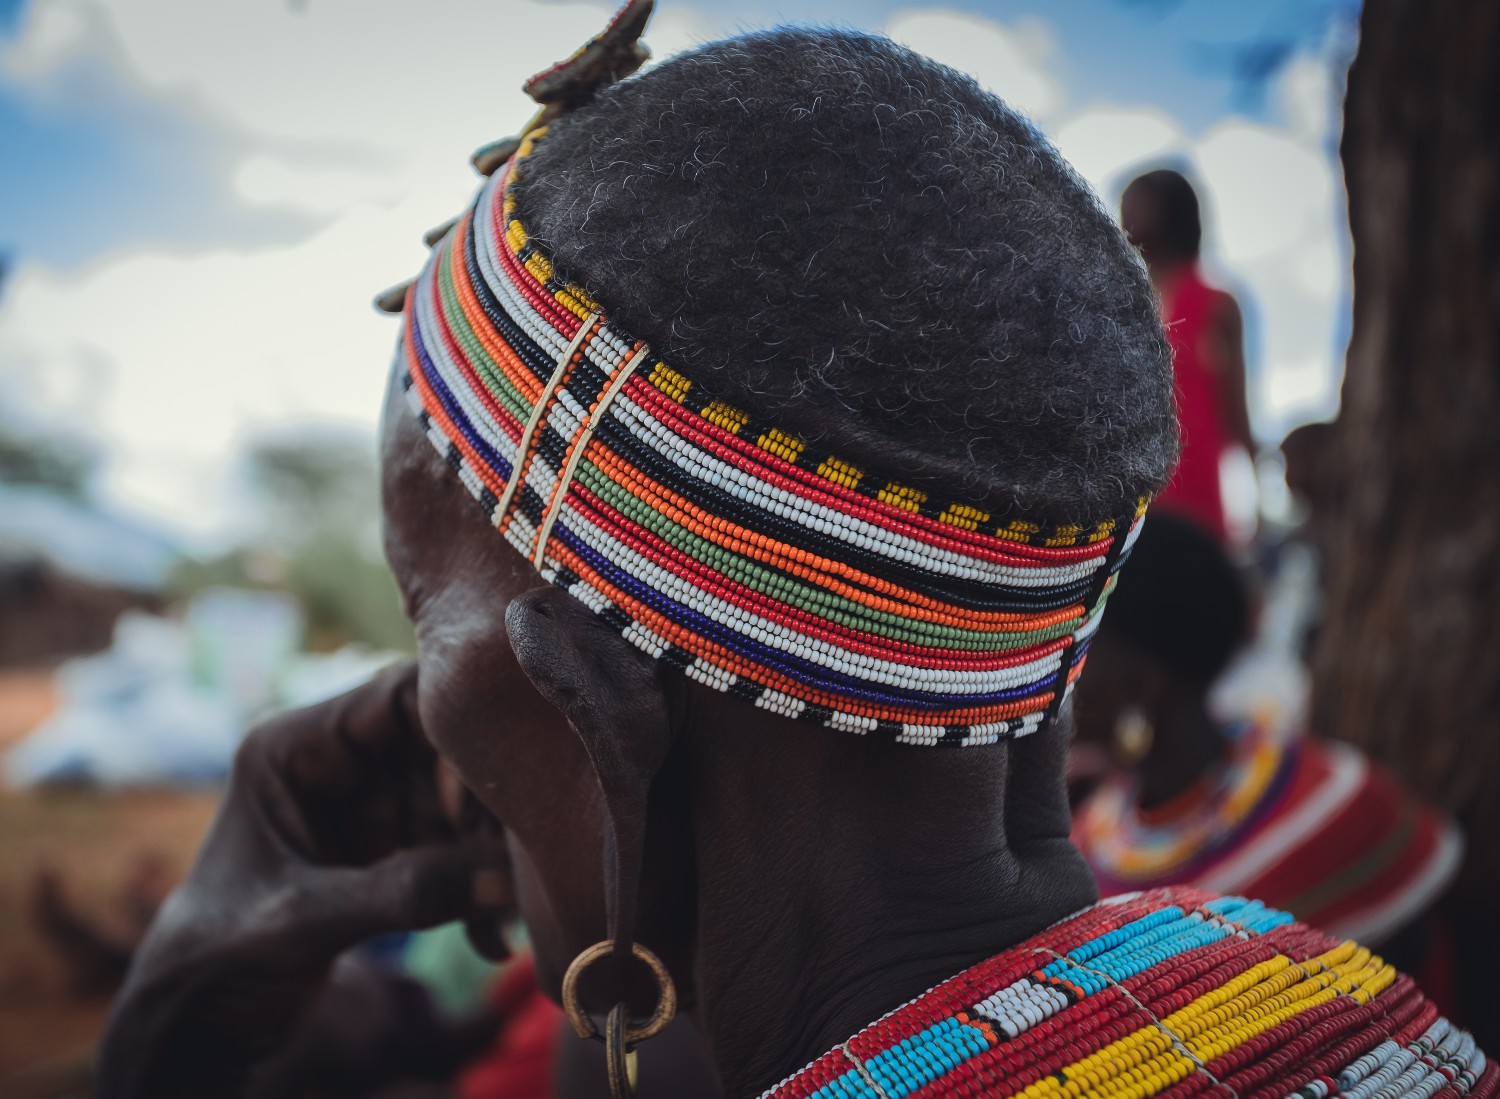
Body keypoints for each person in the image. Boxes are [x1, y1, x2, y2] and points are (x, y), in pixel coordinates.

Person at [99, 10, 1494, 1098]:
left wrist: (168, 1032)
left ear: (596, 721)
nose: (422, 713)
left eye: (428, 620)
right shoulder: (1352, 1010)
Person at [1072, 515, 1463, 956]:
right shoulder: (1091, 835)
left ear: (1143, 682)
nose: (1053, 672)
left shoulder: (1335, 809)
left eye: (1078, 643)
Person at [1120, 169, 1255, 545]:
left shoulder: (1218, 304)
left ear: (1171, 210)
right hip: (1131, 495)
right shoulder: (1120, 304)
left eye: (1139, 200)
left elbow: (1236, 406)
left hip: (1196, 491)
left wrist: (1258, 494)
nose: (1126, 210)